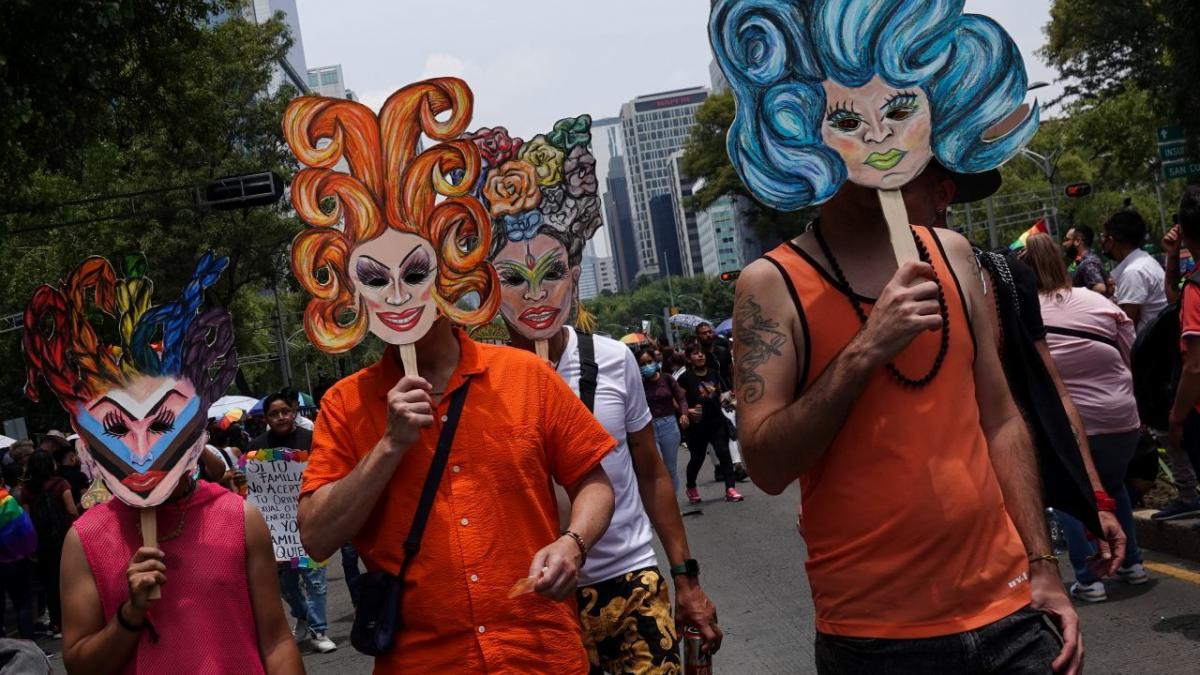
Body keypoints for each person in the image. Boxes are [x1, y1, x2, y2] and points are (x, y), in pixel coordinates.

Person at [713, 1, 1081, 672]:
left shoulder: (956, 254)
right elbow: (765, 464)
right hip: (878, 639)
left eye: (901, 110)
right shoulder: (771, 285)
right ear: (806, 131)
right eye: (848, 119)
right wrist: (865, 349)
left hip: (1011, 613)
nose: (880, 138)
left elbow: (1000, 418)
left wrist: (1043, 565)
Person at [286, 79, 617, 674]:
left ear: (450, 266)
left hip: (539, 653)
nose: (396, 293)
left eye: (414, 270)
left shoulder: (525, 375)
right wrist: (387, 446)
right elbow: (314, 537)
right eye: (374, 277)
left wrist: (573, 543)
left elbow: (594, 481)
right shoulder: (344, 404)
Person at [60, 473, 304, 674]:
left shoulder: (240, 516)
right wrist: (130, 614)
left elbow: (276, 643)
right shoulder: (85, 538)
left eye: (161, 426)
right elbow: (80, 666)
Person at [1023, 233, 1148, 601]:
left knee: (1068, 495)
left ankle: (1089, 578)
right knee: (1113, 483)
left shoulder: (1026, 313)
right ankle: (1133, 564)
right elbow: (1131, 355)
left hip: (1070, 428)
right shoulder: (1100, 302)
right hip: (1121, 419)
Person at [250, 394, 335, 654]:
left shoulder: (311, 440)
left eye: (285, 411)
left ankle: (319, 630)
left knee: (315, 580)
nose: (281, 417)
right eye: (274, 414)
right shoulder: (256, 448)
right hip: (277, 533)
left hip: (309, 524)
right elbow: (251, 488)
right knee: (286, 585)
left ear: (294, 411)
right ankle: (302, 615)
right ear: (266, 418)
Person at [1159, 185, 1200, 521]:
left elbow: (1195, 367)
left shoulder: (1197, 287)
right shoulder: (1192, 283)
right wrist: (1172, 257)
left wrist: (1176, 417)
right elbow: (1175, 302)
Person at [18, 450, 77, 637]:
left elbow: (27, 519)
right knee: (69, 580)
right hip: (64, 540)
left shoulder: (26, 490)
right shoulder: (61, 484)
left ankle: (56, 623)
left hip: (42, 543)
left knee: (49, 583)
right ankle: (73, 620)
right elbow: (71, 511)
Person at [677, 346, 743, 504]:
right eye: (695, 353)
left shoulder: (713, 373)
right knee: (697, 458)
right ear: (688, 358)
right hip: (697, 425)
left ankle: (730, 489)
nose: (700, 355)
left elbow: (718, 395)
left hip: (716, 421)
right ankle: (691, 487)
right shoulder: (685, 378)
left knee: (724, 453)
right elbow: (678, 399)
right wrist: (686, 411)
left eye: (701, 352)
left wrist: (730, 403)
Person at [1102, 209, 1168, 337]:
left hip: (1149, 349)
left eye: (1103, 236)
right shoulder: (1144, 261)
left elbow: (1125, 327)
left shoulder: (1133, 272)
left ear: (1111, 241)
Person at [638, 347, 689, 494]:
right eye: (643, 364)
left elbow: (681, 398)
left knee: (670, 467)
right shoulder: (638, 384)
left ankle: (674, 503)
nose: (647, 366)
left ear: (656, 362)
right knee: (656, 467)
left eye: (649, 362)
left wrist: (684, 413)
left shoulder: (667, 379)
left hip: (669, 426)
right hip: (648, 428)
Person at [1062, 225, 1109, 294]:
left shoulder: (1088, 262)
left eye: (1067, 240)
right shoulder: (1078, 261)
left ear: (1077, 241)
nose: (1064, 244)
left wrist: (1079, 297)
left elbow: (1100, 288)